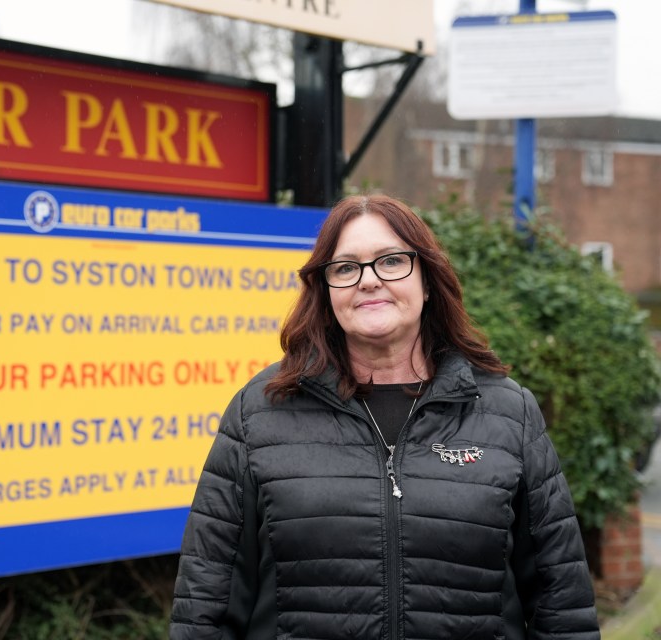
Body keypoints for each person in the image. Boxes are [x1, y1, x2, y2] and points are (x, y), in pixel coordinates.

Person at [169, 194, 600, 639]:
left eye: (391, 261)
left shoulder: (509, 413)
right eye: (345, 268)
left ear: (428, 280)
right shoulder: (259, 412)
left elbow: (562, 605)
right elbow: (205, 604)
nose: (369, 281)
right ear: (325, 290)